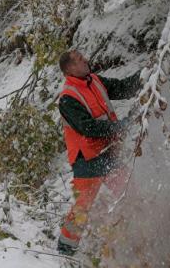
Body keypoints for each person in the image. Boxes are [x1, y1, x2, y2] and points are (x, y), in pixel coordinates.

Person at [56, 49, 141, 255]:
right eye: (80, 59)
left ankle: (142, 230)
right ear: (70, 69)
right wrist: (119, 126)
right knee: (83, 207)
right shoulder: (67, 98)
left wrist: (147, 75)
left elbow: (122, 88)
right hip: (87, 160)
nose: (85, 59)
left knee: (130, 191)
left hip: (107, 152)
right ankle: (65, 249)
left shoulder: (94, 80)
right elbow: (89, 128)